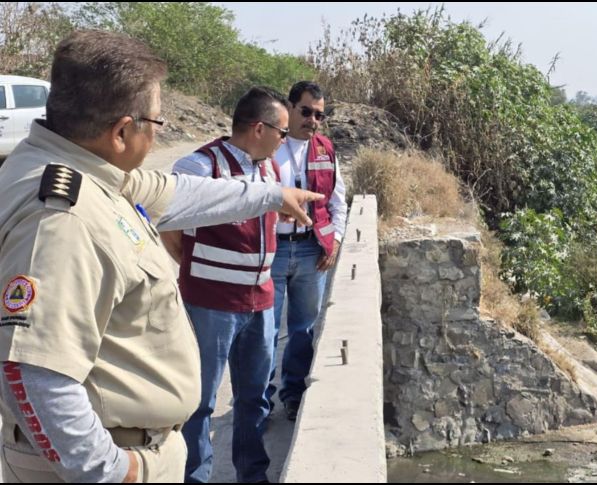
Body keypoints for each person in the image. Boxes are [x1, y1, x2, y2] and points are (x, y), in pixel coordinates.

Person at [0, 30, 321, 483]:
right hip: (112, 457)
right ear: (121, 131)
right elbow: (31, 372)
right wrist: (116, 471)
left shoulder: (83, 170)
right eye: (157, 123)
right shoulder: (61, 218)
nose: (157, 134)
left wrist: (271, 195)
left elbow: (176, 193)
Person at [160, 86, 288, 483]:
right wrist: (198, 267)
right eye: (281, 132)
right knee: (199, 402)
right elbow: (170, 224)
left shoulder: (268, 167)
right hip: (211, 304)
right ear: (258, 128)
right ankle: (196, 477)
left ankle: (253, 475)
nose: (284, 141)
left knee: (254, 400)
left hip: (261, 303)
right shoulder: (200, 166)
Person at [269, 81, 347, 421]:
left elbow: (337, 201)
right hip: (270, 251)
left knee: (302, 330)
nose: (313, 120)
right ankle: (258, 403)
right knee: (263, 331)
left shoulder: (325, 150)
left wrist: (337, 241)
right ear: (290, 108)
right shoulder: (269, 146)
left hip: (310, 251)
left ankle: (293, 396)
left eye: (319, 115)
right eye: (306, 112)